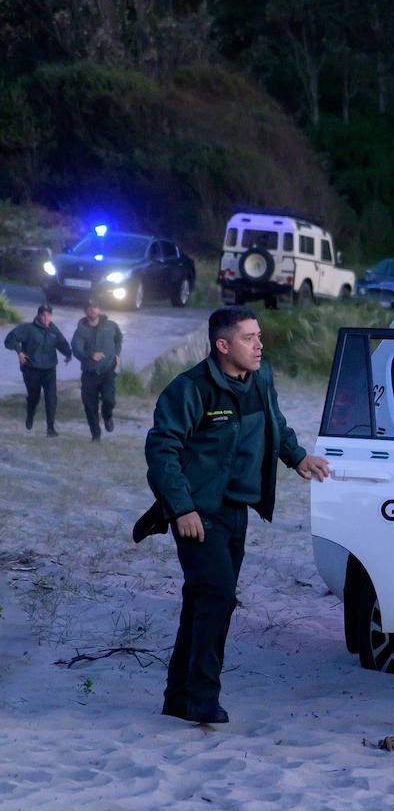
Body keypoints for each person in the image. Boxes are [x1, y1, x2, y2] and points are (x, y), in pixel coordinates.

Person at [133, 306, 331, 724]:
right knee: (218, 597)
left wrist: (297, 457)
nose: (259, 345)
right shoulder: (189, 389)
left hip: (237, 510)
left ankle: (178, 697)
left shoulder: (262, 378)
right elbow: (162, 450)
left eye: (259, 336)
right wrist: (181, 508)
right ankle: (203, 700)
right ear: (223, 345)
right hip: (197, 513)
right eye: (248, 338)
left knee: (203, 601)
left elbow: (274, 422)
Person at [4, 303, 72, 436]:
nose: (46, 318)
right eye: (43, 315)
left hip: (49, 369)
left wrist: (68, 354)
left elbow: (62, 343)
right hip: (31, 369)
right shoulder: (28, 328)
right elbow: (9, 339)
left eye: (48, 315)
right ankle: (30, 414)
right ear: (38, 315)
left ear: (51, 316)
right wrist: (19, 352)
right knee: (34, 397)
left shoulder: (54, 329)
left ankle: (50, 428)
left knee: (51, 397)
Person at [71, 298, 123, 441]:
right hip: (89, 373)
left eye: (94, 307)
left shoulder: (111, 326)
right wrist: (90, 355)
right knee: (89, 405)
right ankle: (96, 435)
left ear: (99, 309)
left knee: (109, 399)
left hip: (108, 371)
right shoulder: (81, 330)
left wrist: (117, 354)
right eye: (88, 308)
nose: (92, 310)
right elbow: (76, 349)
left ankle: (107, 416)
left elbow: (119, 338)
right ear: (85, 311)